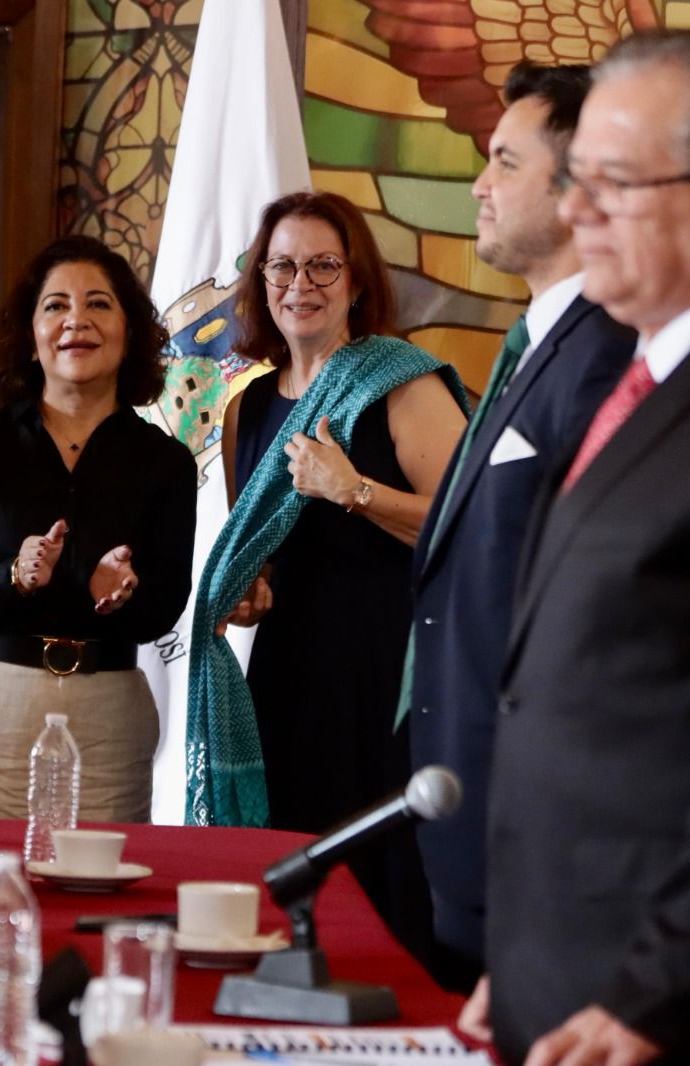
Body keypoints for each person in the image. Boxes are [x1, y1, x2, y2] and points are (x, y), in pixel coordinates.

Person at [457, 30, 690, 1066]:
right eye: (576, 177)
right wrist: (531, 949)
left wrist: (653, 993)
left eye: (614, 182)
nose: (576, 210)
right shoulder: (633, 384)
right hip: (564, 976)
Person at [401, 63, 634, 991]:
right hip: (469, 812)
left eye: (504, 161)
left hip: (538, 838)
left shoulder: (609, 356)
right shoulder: (541, 344)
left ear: (579, 188)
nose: (478, 185)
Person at [187, 191, 467, 957]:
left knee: (383, 886)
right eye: (282, 265)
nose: (299, 283)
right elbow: (266, 548)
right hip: (288, 676)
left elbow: (474, 525)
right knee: (293, 872)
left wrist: (355, 490)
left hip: (389, 676)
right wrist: (249, 591)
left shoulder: (401, 383)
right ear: (260, 281)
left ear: (356, 282)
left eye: (321, 265)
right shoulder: (245, 407)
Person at [0, 235, 195, 821]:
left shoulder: (165, 460)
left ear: (130, 332)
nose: (77, 321)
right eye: (56, 306)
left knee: (95, 888)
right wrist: (13, 577)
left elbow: (167, 602)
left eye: (99, 304)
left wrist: (119, 596)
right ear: (30, 334)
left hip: (110, 718)